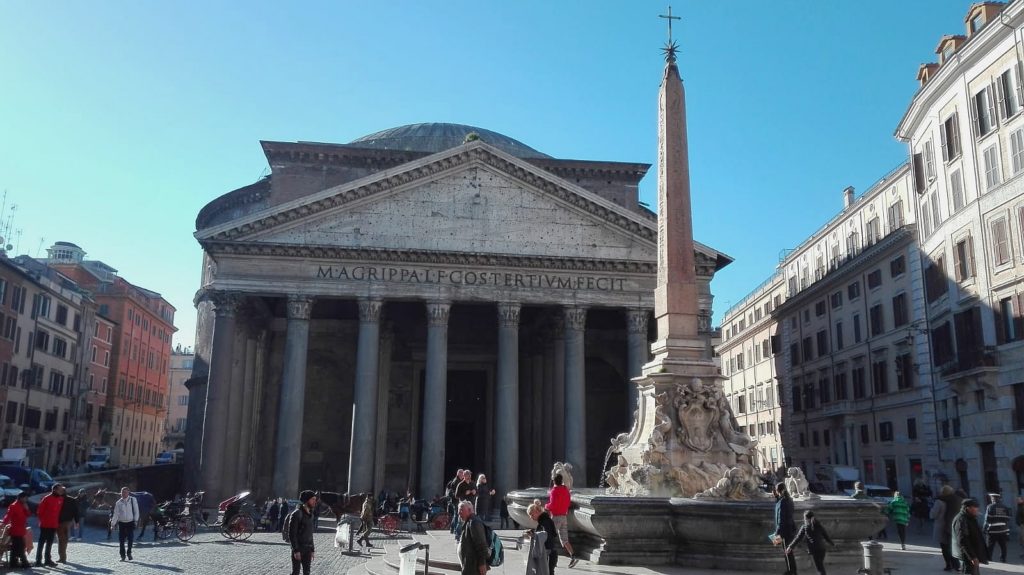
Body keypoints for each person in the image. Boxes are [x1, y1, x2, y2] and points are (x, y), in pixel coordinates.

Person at [786, 510, 836, 575]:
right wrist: (832, 544)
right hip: (822, 549)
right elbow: (826, 536)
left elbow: (798, 538)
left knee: (820, 568)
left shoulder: (805, 527)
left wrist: (790, 546)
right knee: (820, 566)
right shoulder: (818, 525)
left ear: (806, 518)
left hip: (814, 550)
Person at [546, 473, 577, 568]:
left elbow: (553, 505)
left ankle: (550, 559)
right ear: (561, 481)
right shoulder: (565, 490)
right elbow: (567, 502)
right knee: (564, 539)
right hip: (564, 516)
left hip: (556, 517)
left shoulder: (554, 491)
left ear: (554, 481)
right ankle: (573, 556)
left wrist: (546, 506)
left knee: (549, 537)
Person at [953, 498, 988, 575]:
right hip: (967, 557)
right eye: (975, 507)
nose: (977, 509)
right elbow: (963, 540)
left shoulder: (970, 518)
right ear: (968, 508)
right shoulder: (961, 520)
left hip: (973, 554)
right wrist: (972, 557)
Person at [526, 499, 559, 575]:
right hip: (550, 552)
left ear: (537, 511)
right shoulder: (544, 521)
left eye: (531, 514)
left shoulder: (545, 522)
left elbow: (545, 535)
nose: (531, 517)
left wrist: (534, 534)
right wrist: (534, 533)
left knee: (546, 572)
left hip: (548, 553)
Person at [935, 485, 964, 571]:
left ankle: (952, 565)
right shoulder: (959, 499)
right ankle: (956, 565)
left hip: (948, 526)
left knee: (946, 547)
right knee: (954, 546)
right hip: (958, 526)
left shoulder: (945, 500)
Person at [288, 490, 317, 575]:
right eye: (313, 499)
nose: (315, 501)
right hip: (299, 548)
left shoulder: (311, 514)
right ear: (306, 500)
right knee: (296, 572)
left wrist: (312, 549)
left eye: (315, 499)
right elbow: (292, 534)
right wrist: (296, 550)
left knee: (307, 572)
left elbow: (310, 534)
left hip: (308, 549)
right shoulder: (297, 514)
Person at [456, 501, 489, 575]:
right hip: (469, 565)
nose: (459, 513)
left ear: (470, 510)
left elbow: (481, 544)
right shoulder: (469, 522)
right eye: (458, 510)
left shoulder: (474, 522)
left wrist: (482, 563)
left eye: (461, 510)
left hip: (474, 567)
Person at [2, 491, 32, 568]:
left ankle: (13, 563)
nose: (26, 499)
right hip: (15, 529)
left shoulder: (23, 505)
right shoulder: (13, 506)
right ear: (21, 498)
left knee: (15, 547)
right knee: (20, 546)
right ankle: (24, 563)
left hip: (21, 529)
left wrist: (27, 508)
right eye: (25, 498)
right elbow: (8, 516)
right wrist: (3, 523)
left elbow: (28, 515)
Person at [773, 482, 797, 575]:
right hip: (790, 528)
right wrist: (776, 497)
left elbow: (781, 518)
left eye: (775, 490)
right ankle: (792, 571)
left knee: (787, 552)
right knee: (789, 551)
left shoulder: (782, 502)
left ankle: (791, 571)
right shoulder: (789, 499)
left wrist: (777, 533)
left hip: (784, 530)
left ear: (778, 490)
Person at [36, 483, 62, 567]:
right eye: (59, 489)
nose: (61, 491)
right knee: (41, 543)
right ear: (54, 490)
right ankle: (38, 560)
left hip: (53, 525)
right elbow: (39, 512)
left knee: (50, 543)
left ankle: (47, 559)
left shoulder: (60, 499)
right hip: (45, 524)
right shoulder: (46, 498)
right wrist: (43, 521)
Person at [112, 486, 140, 561]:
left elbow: (136, 511)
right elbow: (116, 514)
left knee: (130, 539)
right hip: (122, 523)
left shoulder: (133, 500)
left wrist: (136, 520)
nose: (123, 494)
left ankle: (129, 553)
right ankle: (122, 556)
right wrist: (113, 524)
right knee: (121, 541)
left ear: (128, 493)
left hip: (130, 523)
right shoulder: (118, 502)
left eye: (125, 492)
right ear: (120, 493)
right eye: (122, 492)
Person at [982, 493, 1010, 562]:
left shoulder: (990, 507)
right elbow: (1008, 519)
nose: (991, 499)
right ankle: (1003, 559)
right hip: (1003, 530)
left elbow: (987, 519)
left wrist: (984, 529)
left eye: (991, 498)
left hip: (992, 530)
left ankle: (989, 558)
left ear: (993, 499)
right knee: (1003, 546)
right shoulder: (1005, 507)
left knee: (990, 546)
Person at [56, 484, 80, 563]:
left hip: (60, 522)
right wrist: (76, 522)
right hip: (68, 522)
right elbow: (76, 511)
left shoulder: (58, 499)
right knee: (64, 539)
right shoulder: (72, 499)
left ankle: (62, 557)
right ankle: (63, 557)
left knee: (61, 539)